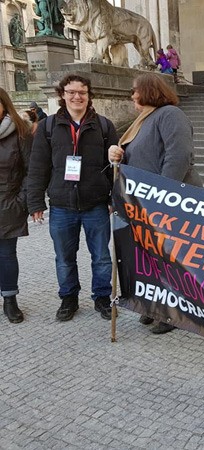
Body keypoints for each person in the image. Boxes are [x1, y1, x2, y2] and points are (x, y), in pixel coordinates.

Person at [108, 72, 202, 334]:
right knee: (150, 257)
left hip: (167, 201)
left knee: (169, 258)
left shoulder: (169, 114)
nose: (132, 95)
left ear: (148, 91)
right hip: (144, 202)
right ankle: (154, 305)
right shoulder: (142, 120)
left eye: (134, 90)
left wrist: (162, 196)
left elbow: (178, 155)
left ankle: (172, 313)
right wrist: (117, 156)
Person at [27, 74, 118, 322]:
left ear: (89, 96)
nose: (77, 96)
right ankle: (69, 298)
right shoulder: (48, 127)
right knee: (65, 258)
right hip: (61, 205)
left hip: (96, 203)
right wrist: (35, 202)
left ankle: (102, 297)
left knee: (101, 257)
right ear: (62, 95)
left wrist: (114, 197)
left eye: (82, 92)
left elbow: (115, 167)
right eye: (71, 92)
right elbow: (38, 167)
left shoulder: (104, 125)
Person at [0, 89, 33, 324]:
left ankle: (10, 299)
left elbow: (30, 170)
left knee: (6, 254)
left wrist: (21, 199)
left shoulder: (20, 131)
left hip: (7, 202)